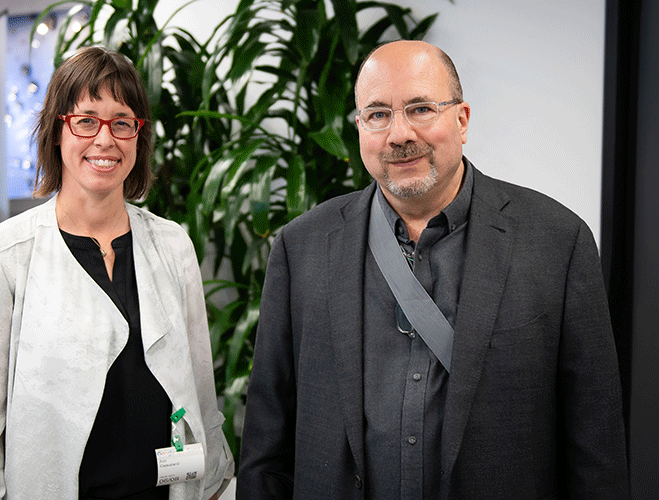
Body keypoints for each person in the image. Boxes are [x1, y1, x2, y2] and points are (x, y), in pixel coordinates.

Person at [236, 40, 629, 499]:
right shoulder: (301, 247)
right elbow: (267, 443)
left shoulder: (556, 242)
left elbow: (595, 448)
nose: (399, 135)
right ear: (360, 127)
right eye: (378, 114)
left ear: (462, 120)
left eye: (420, 109)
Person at [0, 46, 233, 500]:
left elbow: (199, 390)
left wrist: (215, 481)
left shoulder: (172, 245)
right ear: (56, 131)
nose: (105, 140)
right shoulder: (3, 257)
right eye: (86, 120)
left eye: (122, 122)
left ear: (138, 137)